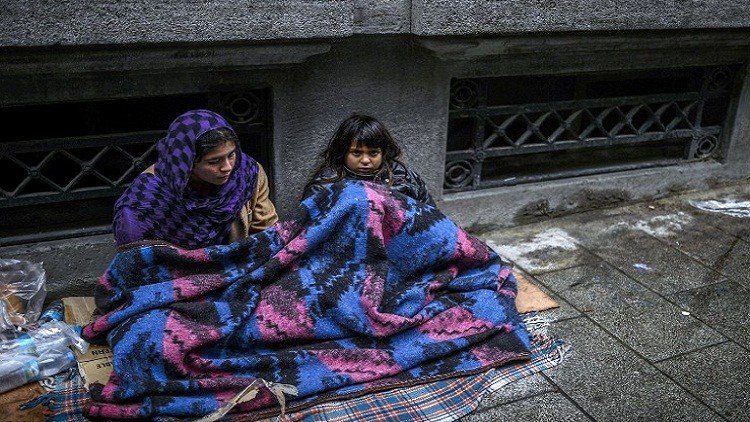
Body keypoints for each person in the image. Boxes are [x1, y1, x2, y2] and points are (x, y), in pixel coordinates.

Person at [113, 109, 277, 249]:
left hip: (238, 267)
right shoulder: (143, 203)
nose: (227, 167)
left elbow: (267, 233)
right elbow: (137, 262)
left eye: (231, 155)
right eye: (214, 161)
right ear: (187, 163)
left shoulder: (247, 173)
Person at [303, 113, 435, 206]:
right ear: (343, 152)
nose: (365, 160)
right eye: (356, 153)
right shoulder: (325, 184)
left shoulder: (404, 177)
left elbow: (431, 218)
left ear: (383, 153)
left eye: (373, 153)